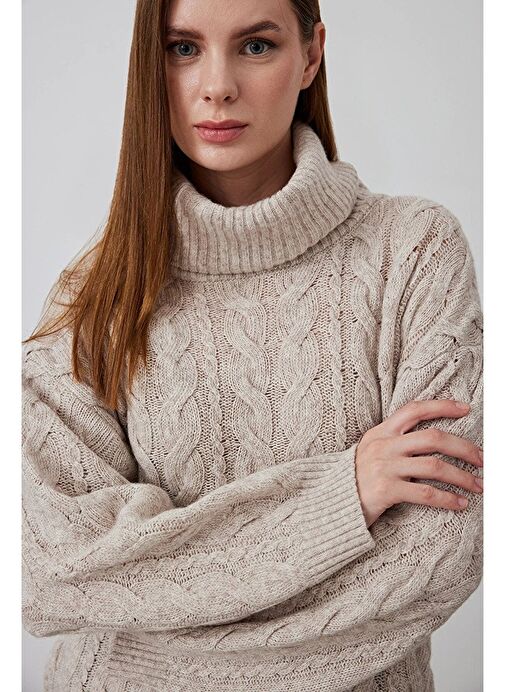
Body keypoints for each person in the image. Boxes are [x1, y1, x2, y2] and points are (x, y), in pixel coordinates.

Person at [21, 0, 483, 690]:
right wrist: (340, 500)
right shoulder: (94, 295)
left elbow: (436, 555)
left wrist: (139, 642)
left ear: (311, 55)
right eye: (182, 49)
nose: (217, 86)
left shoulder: (412, 253)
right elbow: (52, 573)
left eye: (256, 46)